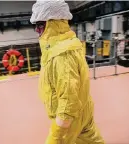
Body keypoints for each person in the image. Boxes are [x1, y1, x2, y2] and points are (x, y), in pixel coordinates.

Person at [30, 0, 105, 143]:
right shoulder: (69, 43)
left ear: (54, 23)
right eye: (36, 26)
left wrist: (56, 135)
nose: (37, 31)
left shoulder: (61, 54)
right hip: (83, 110)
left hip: (69, 122)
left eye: (40, 25)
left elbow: (68, 101)